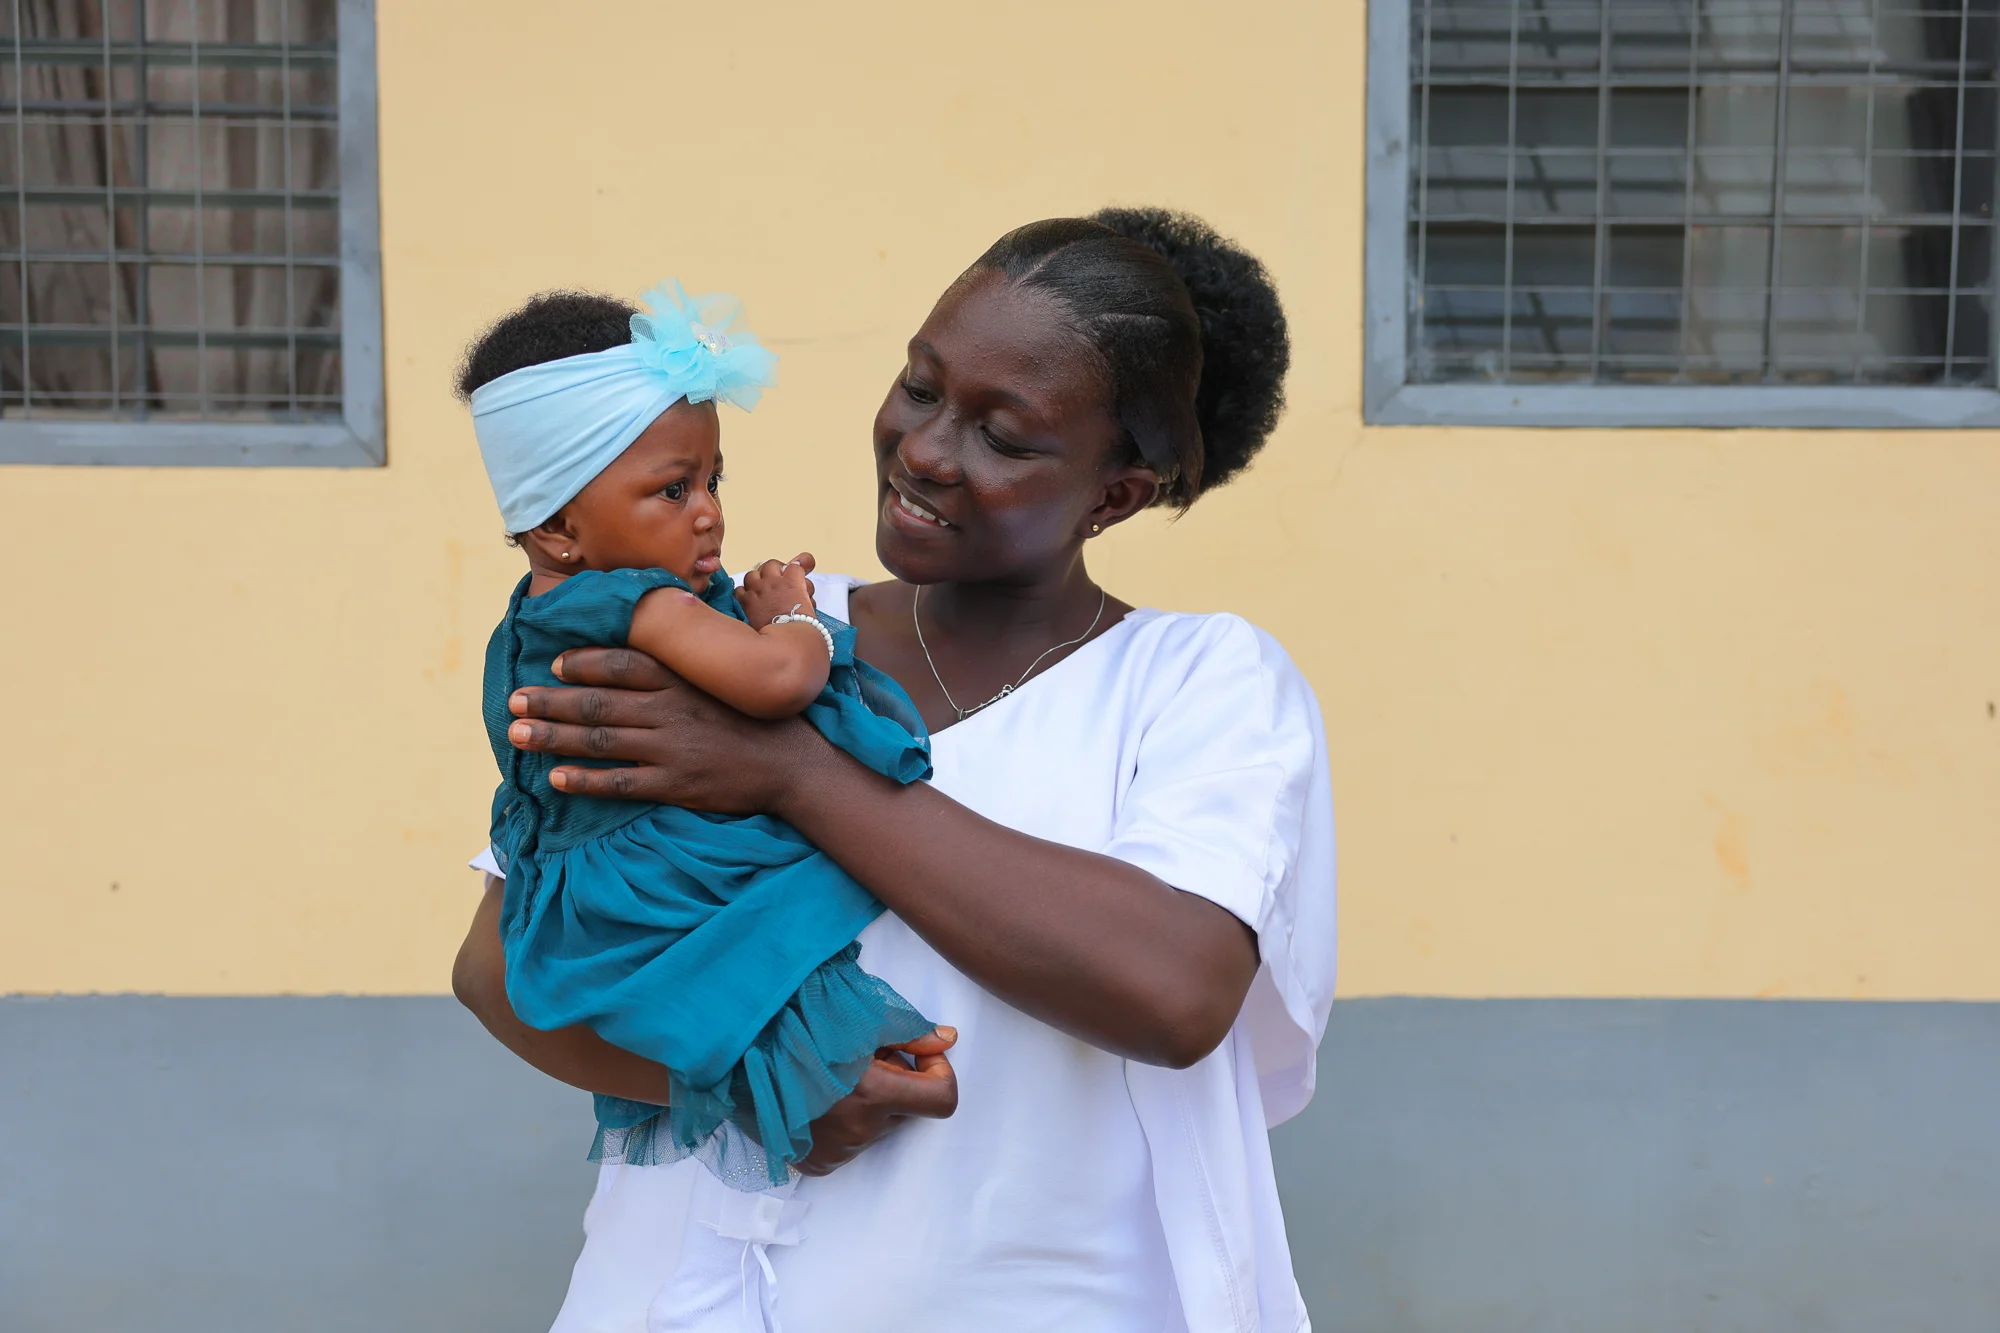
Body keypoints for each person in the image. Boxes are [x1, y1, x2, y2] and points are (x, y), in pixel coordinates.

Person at [456, 207, 1337, 1333]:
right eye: (920, 387)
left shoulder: (1198, 682)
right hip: (682, 1296)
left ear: (1114, 493)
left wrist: (796, 776)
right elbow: (498, 967)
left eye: (1002, 435)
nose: (924, 448)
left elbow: (1171, 988)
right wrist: (748, 1090)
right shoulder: (730, 626)